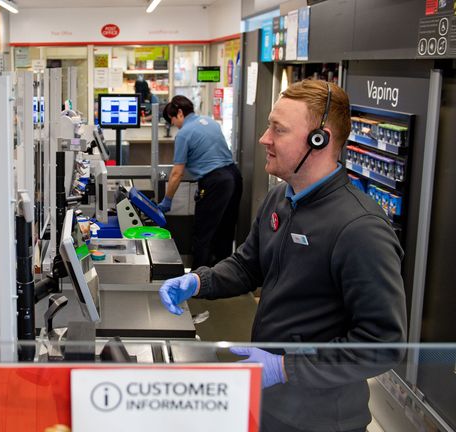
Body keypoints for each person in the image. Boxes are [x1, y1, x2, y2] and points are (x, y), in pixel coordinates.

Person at [158, 80, 407, 432]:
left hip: (320, 420)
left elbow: (382, 344)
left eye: (278, 129)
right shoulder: (281, 199)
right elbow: (248, 265)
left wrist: (285, 367)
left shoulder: (360, 228)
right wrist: (199, 280)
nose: (264, 138)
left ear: (318, 140)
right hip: (272, 404)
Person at [159, 95, 242, 268]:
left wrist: (167, 200)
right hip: (234, 176)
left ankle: (199, 283)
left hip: (215, 182)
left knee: (203, 232)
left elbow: (176, 173)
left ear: (180, 113)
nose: (174, 124)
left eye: (173, 120)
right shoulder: (210, 121)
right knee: (225, 231)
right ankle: (222, 277)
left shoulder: (183, 134)